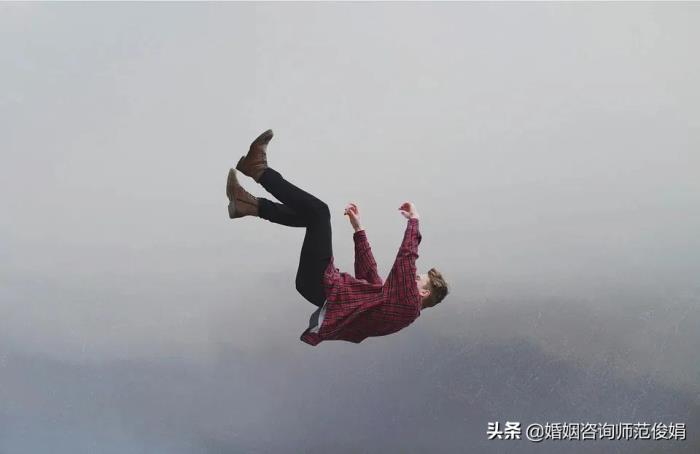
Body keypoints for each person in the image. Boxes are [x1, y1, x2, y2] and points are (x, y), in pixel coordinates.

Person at [226, 129, 449, 346]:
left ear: (424, 292)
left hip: (322, 286)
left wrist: (414, 222)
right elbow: (371, 279)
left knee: (319, 212)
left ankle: (258, 170)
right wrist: (359, 230)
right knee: (311, 216)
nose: (412, 277)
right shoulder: (396, 306)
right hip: (319, 287)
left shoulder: (408, 305)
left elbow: (406, 260)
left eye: (418, 278)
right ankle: (246, 204)